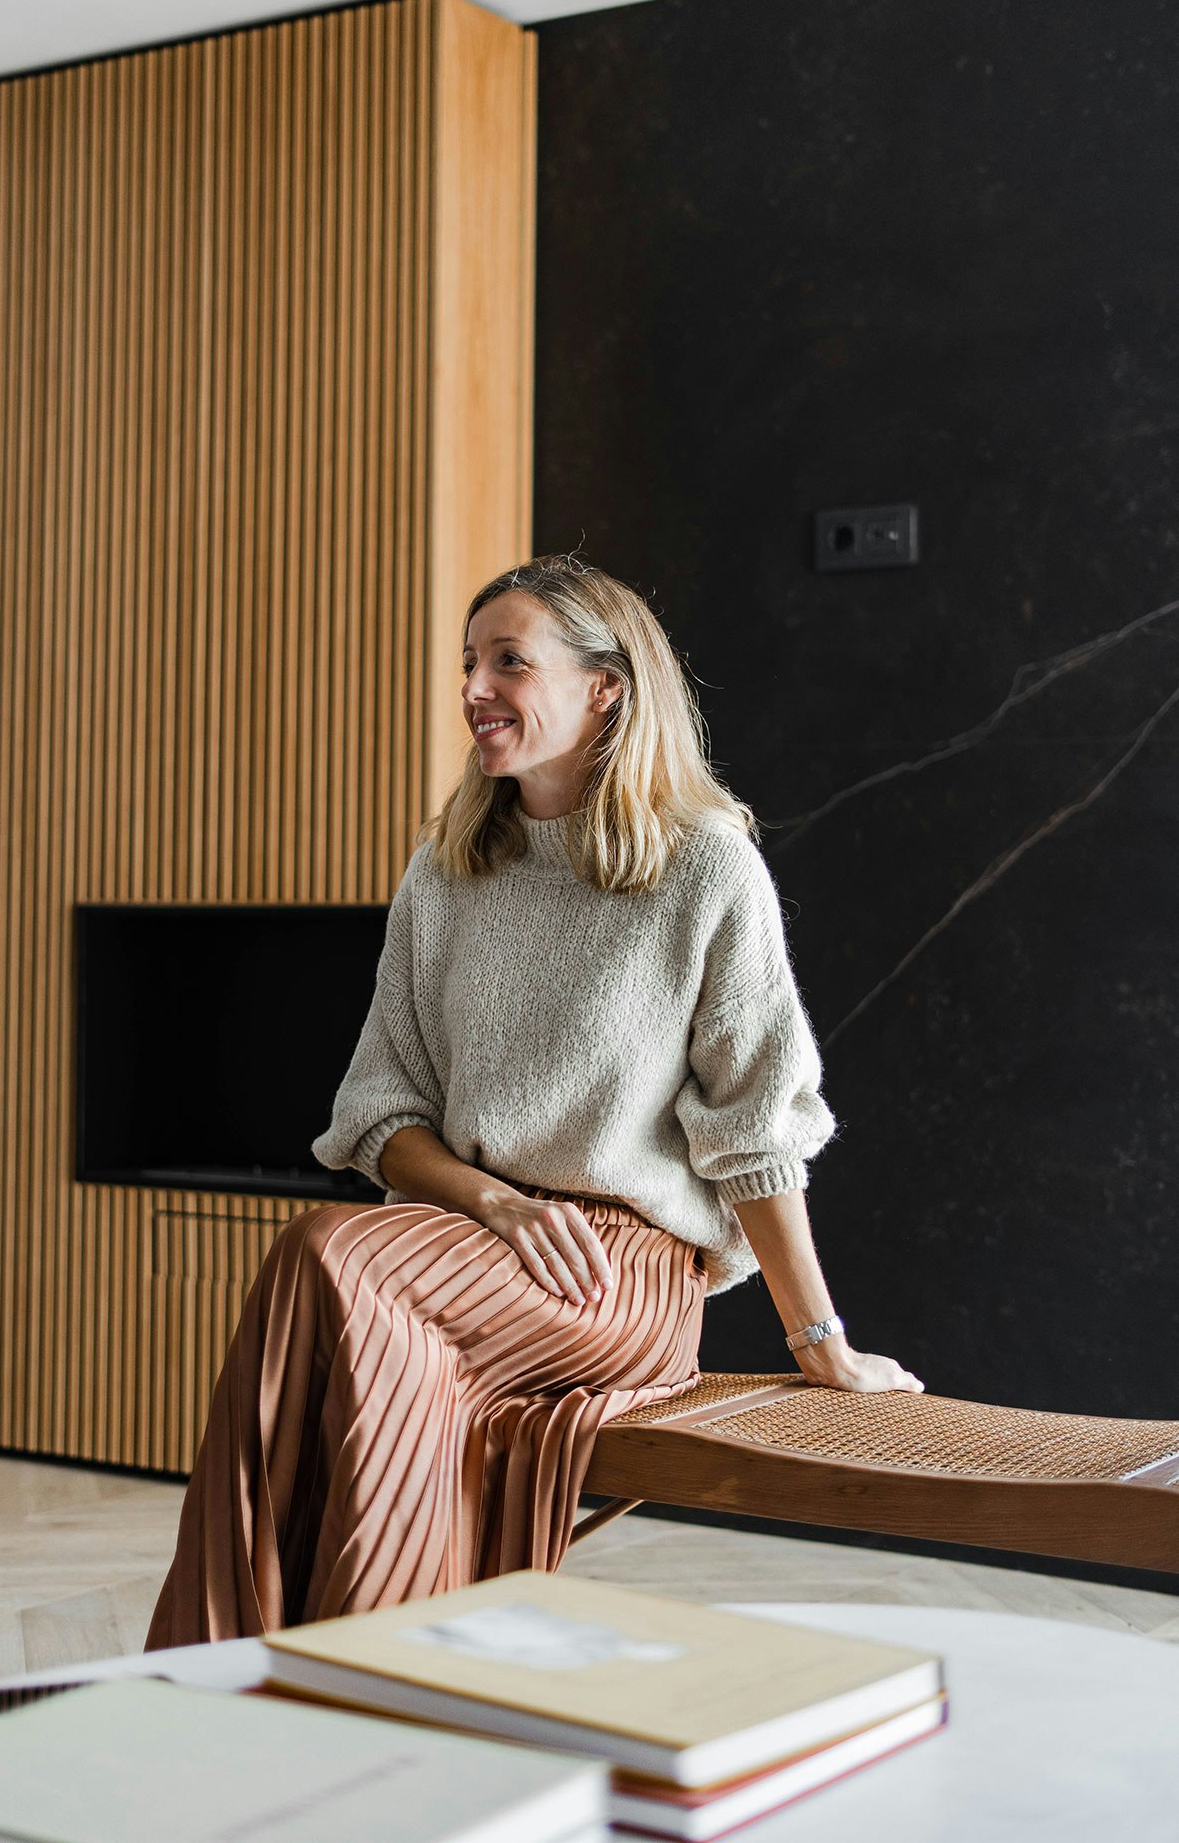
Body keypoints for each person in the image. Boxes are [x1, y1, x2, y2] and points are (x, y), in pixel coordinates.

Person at [144, 552, 921, 1650]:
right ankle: (364, 1667)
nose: (473, 687)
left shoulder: (704, 869)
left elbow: (756, 1137)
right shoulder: (447, 871)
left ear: (605, 687)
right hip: (463, 1239)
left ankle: (290, 1657)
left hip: (616, 1272)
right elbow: (379, 1114)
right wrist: (495, 1204)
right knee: (351, 1290)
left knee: (332, 1257)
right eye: (468, 661)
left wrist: (820, 1342)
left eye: (508, 660)